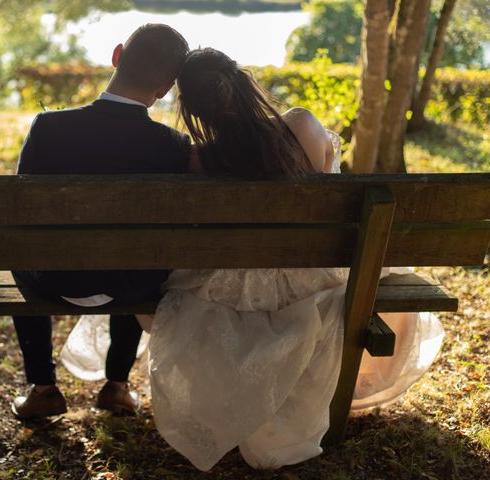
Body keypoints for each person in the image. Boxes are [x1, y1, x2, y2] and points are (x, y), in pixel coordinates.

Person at [145, 48, 444, 470]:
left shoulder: (200, 159)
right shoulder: (301, 124)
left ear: (191, 109)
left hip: (242, 280)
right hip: (316, 272)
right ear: (244, 81)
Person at [10, 24, 191, 420]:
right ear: (164, 90)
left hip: (54, 281)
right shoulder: (172, 146)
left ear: (117, 55)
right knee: (135, 250)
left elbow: (22, 218)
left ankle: (43, 388)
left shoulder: (49, 128)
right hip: (132, 286)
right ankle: (117, 386)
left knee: (20, 251)